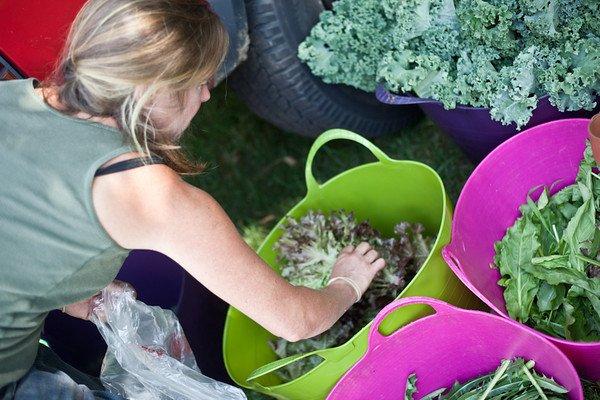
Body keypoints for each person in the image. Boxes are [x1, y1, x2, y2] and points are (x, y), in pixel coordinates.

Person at [0, 0, 386, 398]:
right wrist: (347, 282)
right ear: (154, 90)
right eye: (200, 81)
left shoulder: (11, 98)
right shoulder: (151, 195)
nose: (204, 96)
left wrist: (69, 294)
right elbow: (296, 321)